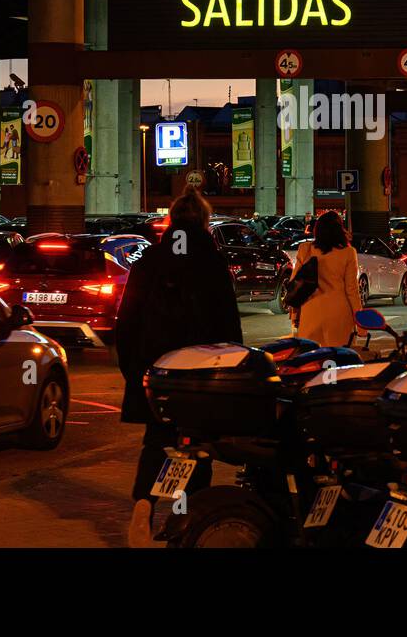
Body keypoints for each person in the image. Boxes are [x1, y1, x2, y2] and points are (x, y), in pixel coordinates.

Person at [115, 187, 242, 548]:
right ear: (203, 221)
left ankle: (143, 506)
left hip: (156, 373)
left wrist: (134, 372)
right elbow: (228, 325)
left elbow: (127, 323)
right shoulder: (213, 263)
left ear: (171, 221)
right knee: (200, 446)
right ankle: (189, 516)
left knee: (156, 441)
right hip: (202, 375)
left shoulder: (148, 262)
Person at [288, 210, 362, 347]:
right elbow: (352, 290)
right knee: (340, 361)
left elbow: (295, 284)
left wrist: (295, 316)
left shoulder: (305, 249)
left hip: (311, 312)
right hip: (339, 313)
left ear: (318, 229)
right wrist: (361, 323)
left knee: (312, 361)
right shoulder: (348, 253)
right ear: (340, 230)